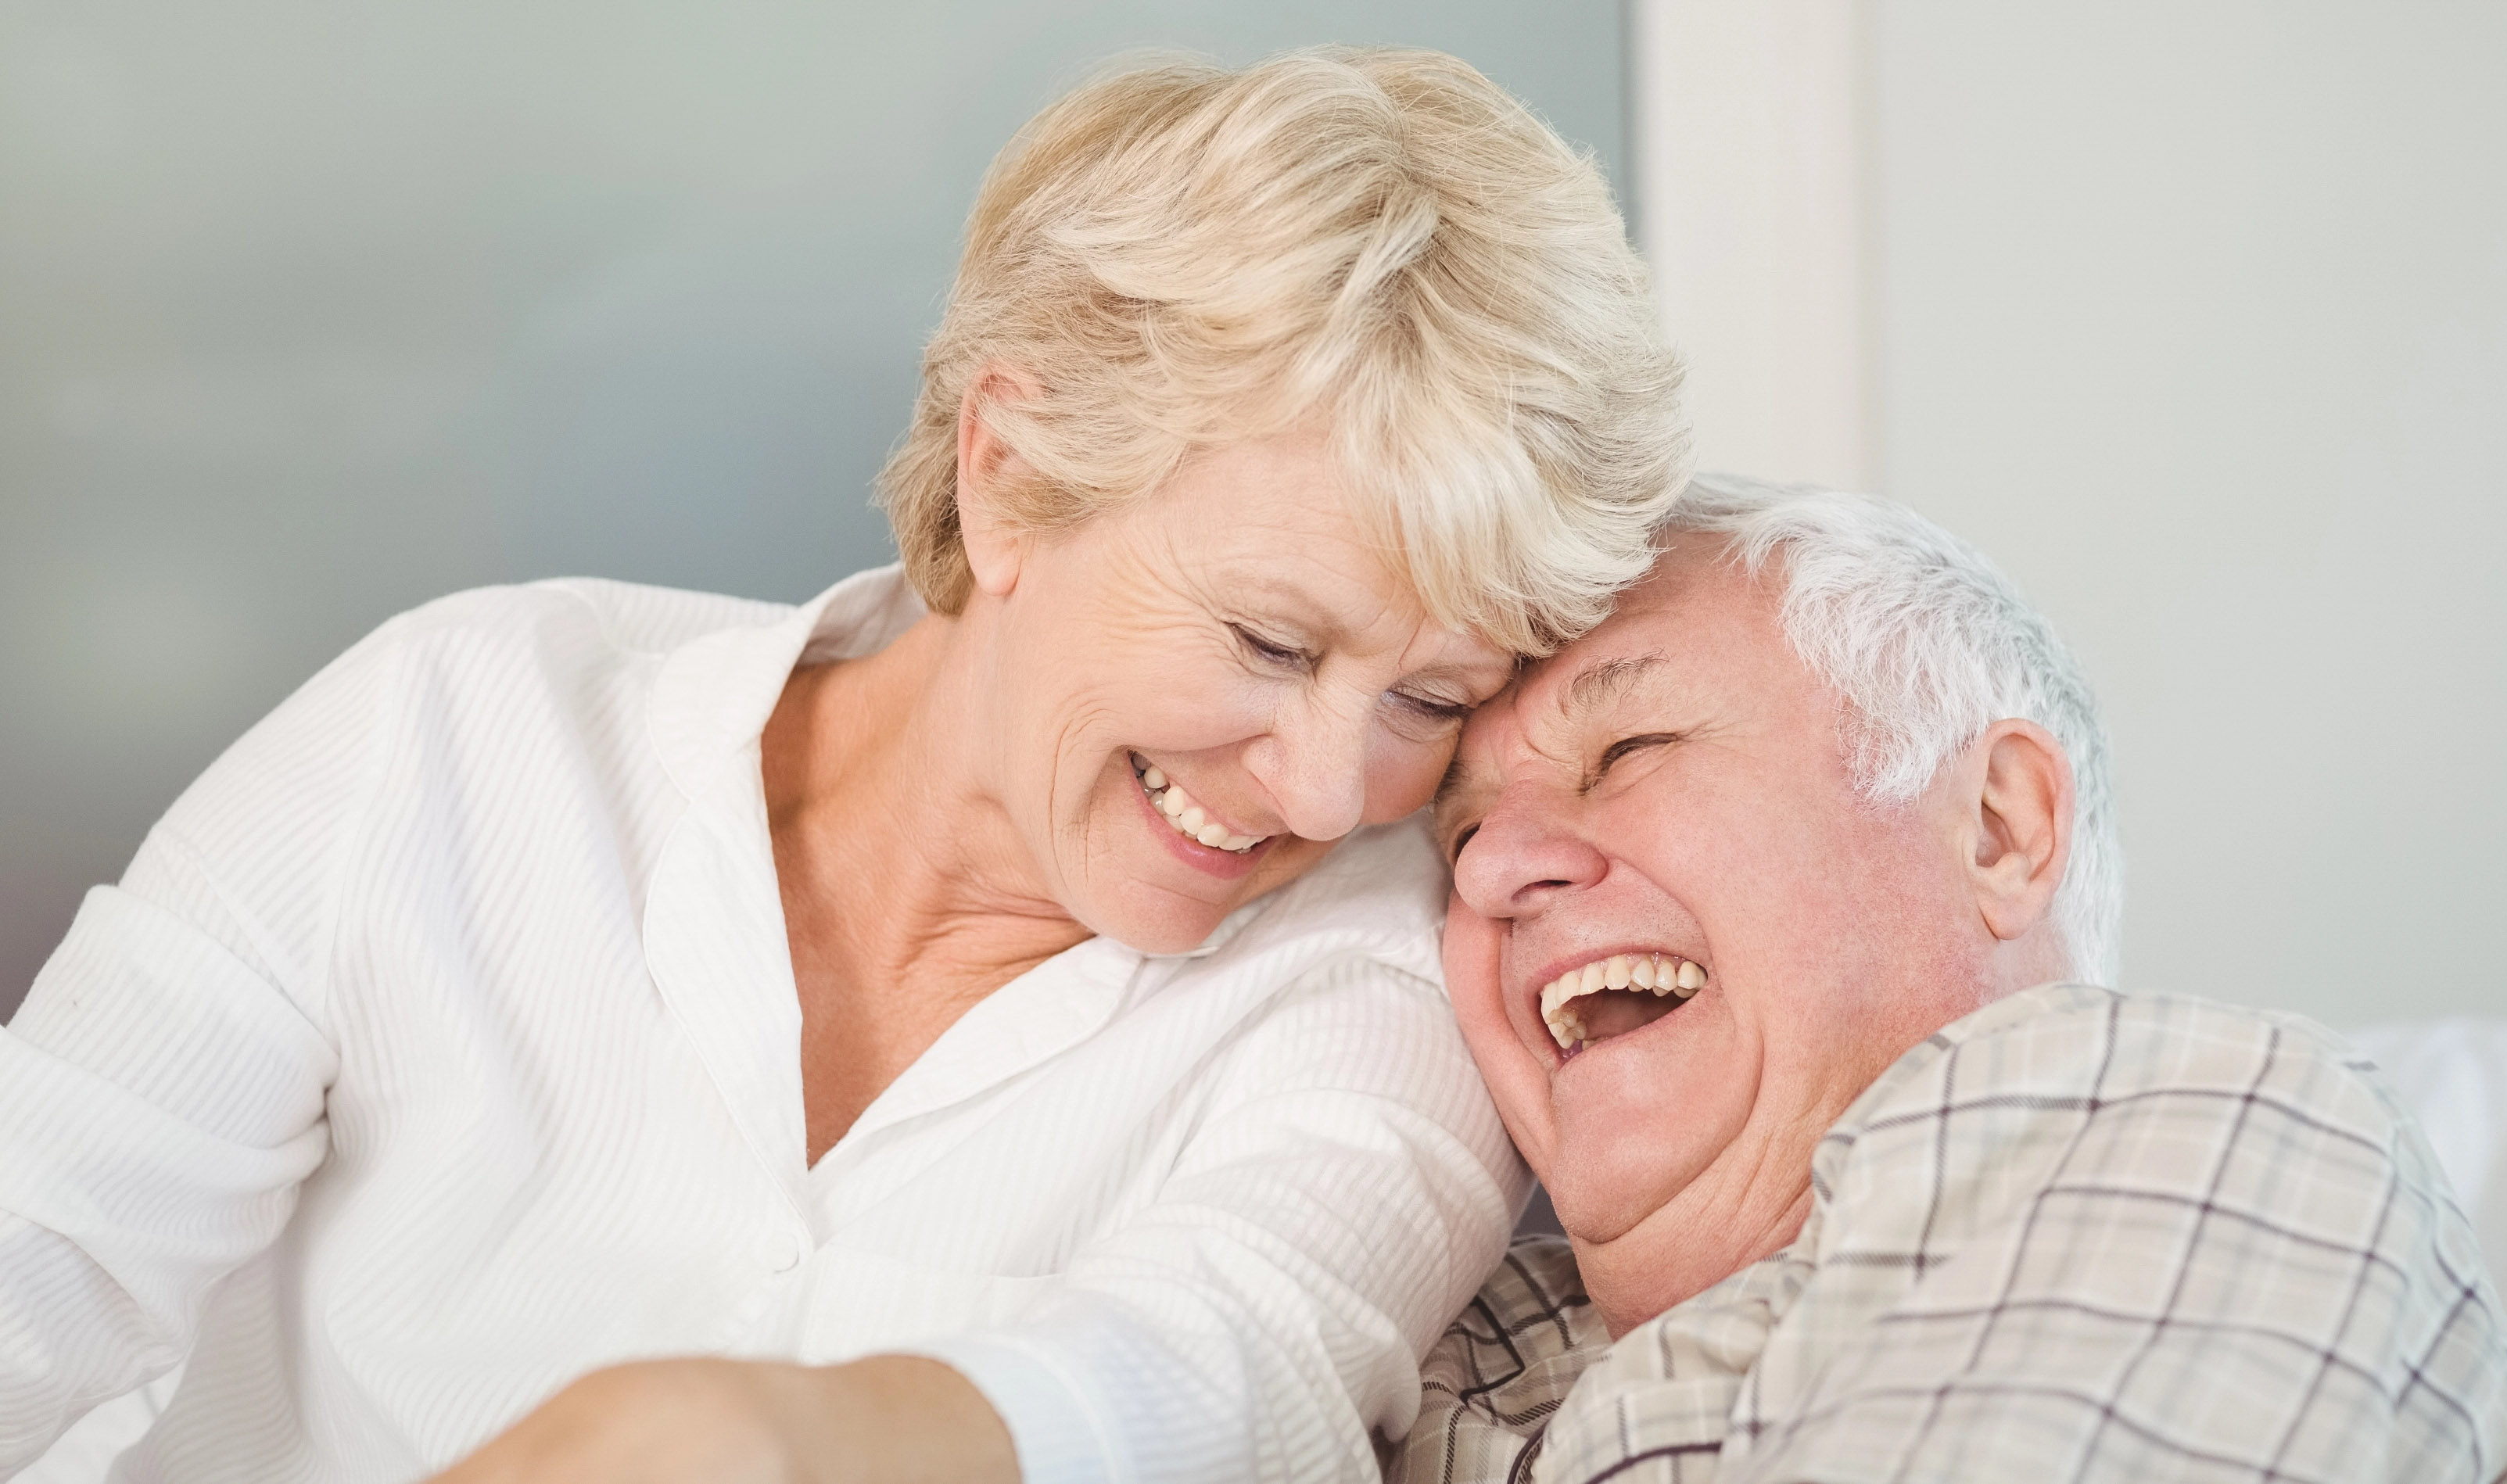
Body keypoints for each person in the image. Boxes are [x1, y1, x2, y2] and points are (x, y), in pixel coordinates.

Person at [0, 48, 1686, 1484]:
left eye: (1432, 697)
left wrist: (755, 1443)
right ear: (1013, 475)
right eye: (1271, 644)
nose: (1330, 791)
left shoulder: (1387, 969)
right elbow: (41, 1245)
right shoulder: (462, 729)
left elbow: (1235, 1370)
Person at [1401, 475, 2507, 1482]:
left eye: (1625, 750)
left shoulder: (2207, 1121)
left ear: (2000, 829)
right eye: (1458, 839)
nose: (1495, 868)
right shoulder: (1418, 1328)